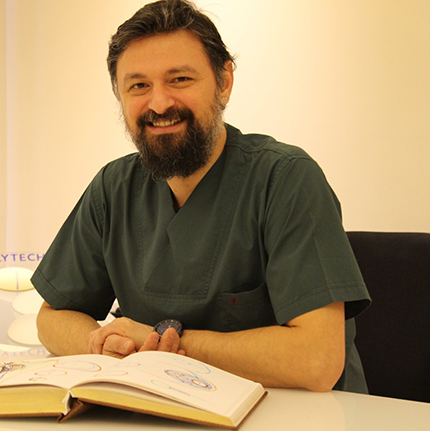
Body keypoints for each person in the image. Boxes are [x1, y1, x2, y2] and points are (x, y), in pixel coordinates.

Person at [31, 0, 370, 393]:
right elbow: (51, 317)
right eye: (139, 86)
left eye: (179, 79)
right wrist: (105, 344)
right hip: (162, 409)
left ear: (224, 82)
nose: (159, 103)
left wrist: (165, 347)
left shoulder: (285, 179)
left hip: (296, 414)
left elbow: (316, 361)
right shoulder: (114, 188)